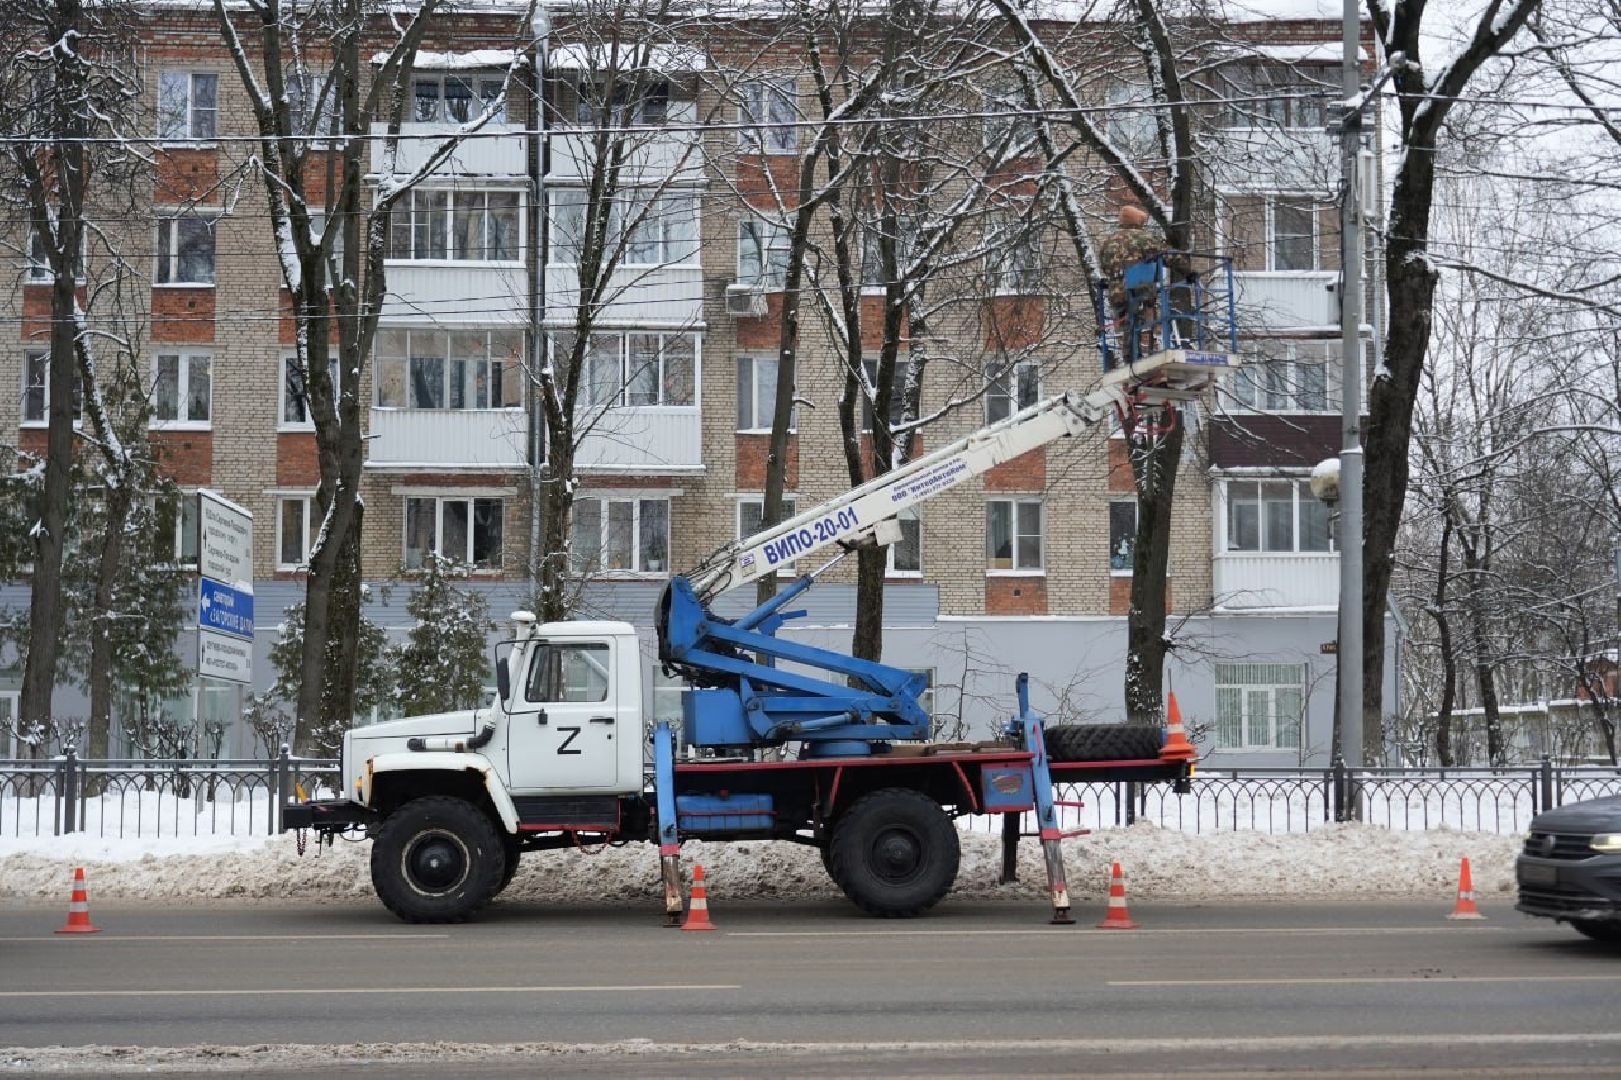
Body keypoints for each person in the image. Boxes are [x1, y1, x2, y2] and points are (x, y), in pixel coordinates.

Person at [1096, 203, 1164, 363]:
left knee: (1127, 322)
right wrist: (1187, 272)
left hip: (1117, 292)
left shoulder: (1108, 242)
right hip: (1141, 289)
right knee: (1148, 317)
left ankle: (1130, 356)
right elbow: (1167, 256)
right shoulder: (1144, 238)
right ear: (1137, 220)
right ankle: (1152, 347)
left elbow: (1104, 266)